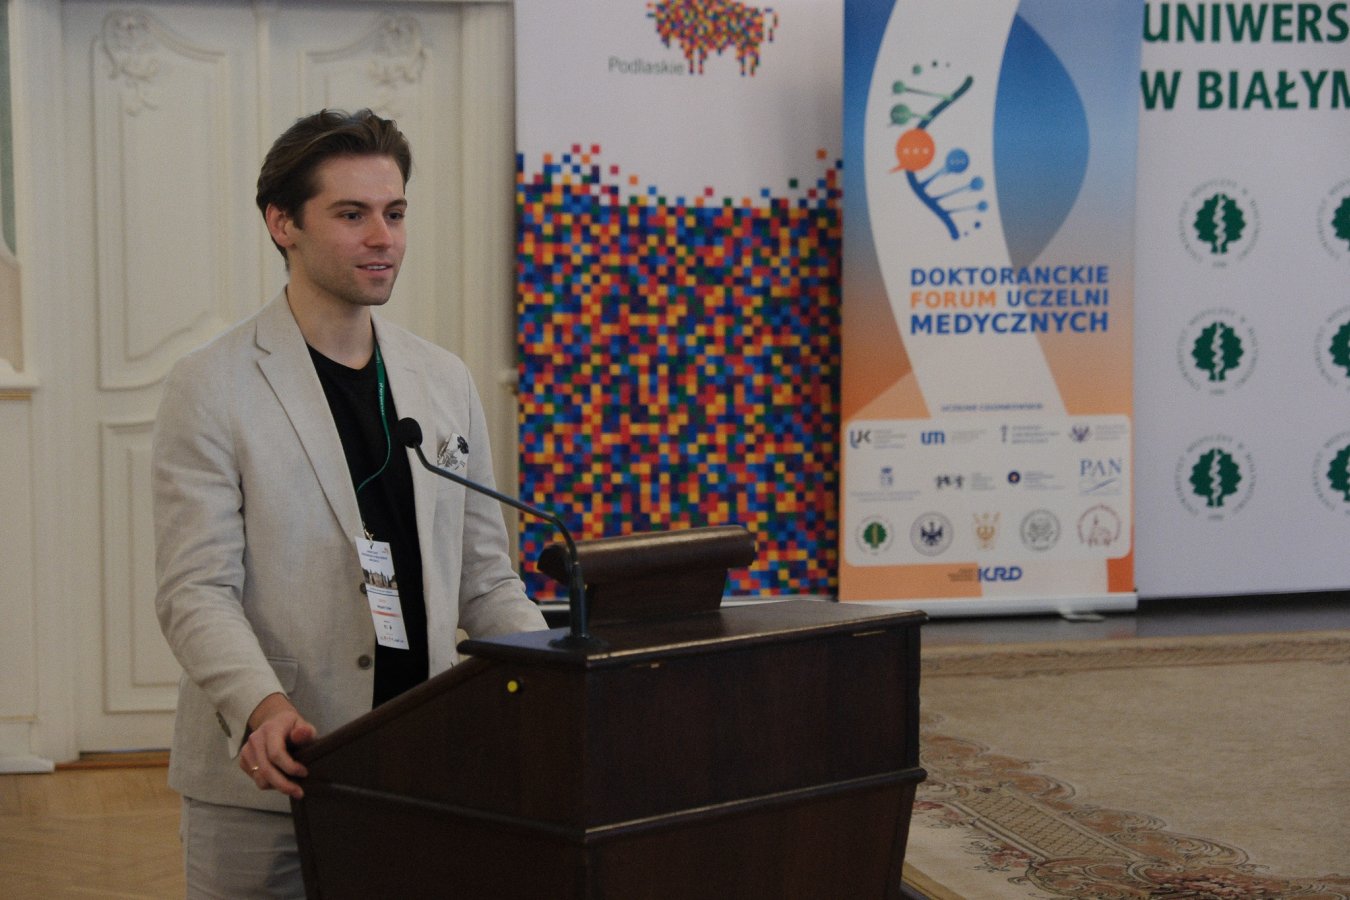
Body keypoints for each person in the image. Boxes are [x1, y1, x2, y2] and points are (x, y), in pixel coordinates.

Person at [152, 108, 547, 898]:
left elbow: (485, 577)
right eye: (352, 214)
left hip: (419, 773)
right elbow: (195, 590)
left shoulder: (444, 380)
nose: (382, 238)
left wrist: (558, 677)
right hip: (273, 775)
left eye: (395, 213)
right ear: (283, 224)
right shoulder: (211, 384)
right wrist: (262, 706)